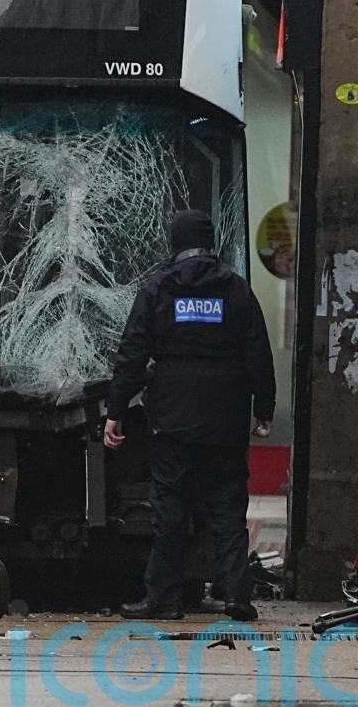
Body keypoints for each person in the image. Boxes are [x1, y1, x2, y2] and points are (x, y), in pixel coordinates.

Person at [104, 208, 275, 621]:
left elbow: (133, 352)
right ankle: (236, 596)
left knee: (169, 509)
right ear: (211, 242)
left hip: (173, 415)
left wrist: (116, 410)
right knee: (228, 508)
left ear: (174, 243)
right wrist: (263, 410)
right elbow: (258, 352)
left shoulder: (159, 289)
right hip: (226, 416)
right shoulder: (235, 289)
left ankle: (163, 600)